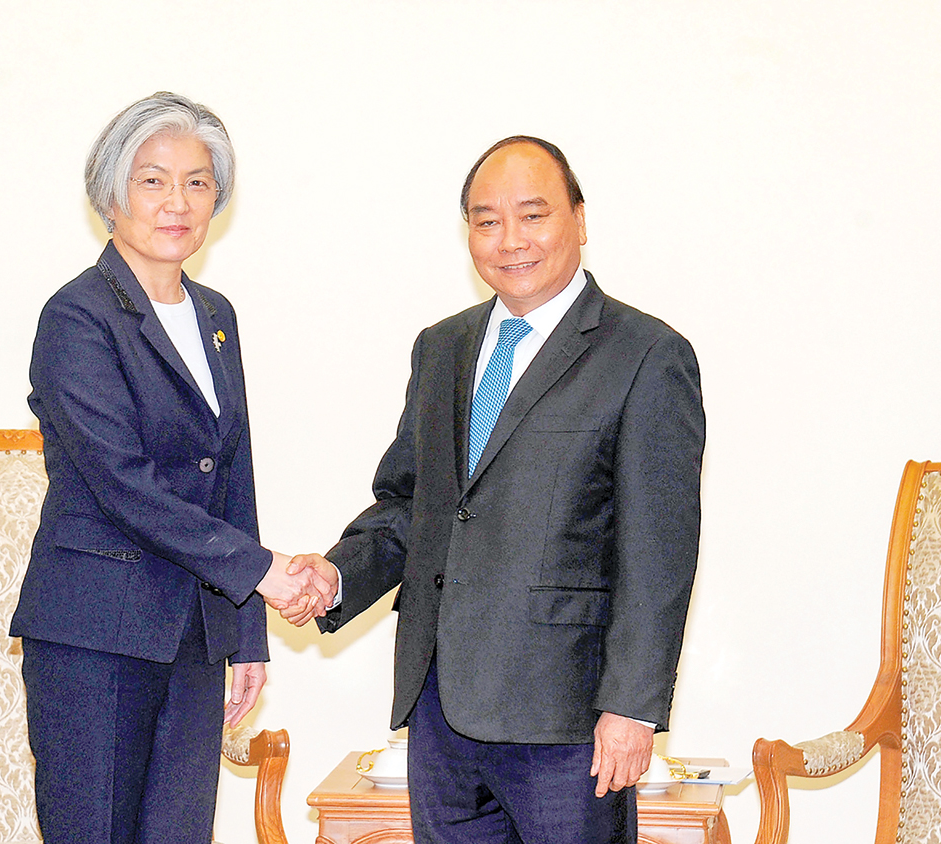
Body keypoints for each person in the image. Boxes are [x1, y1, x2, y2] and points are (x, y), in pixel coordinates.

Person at [284, 136, 705, 843]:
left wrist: (632, 708)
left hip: (567, 721)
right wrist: (337, 575)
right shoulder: (441, 347)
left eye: (533, 215)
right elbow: (413, 504)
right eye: (487, 221)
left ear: (579, 219)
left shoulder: (647, 355)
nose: (510, 239)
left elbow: (658, 553)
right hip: (440, 708)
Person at [9, 92, 332, 844]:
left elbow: (231, 474)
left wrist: (245, 635)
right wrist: (264, 572)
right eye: (153, 181)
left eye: (197, 182)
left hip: (192, 634)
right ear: (111, 194)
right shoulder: (77, 316)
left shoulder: (216, 315)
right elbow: (122, 484)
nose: (177, 202)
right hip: (95, 634)